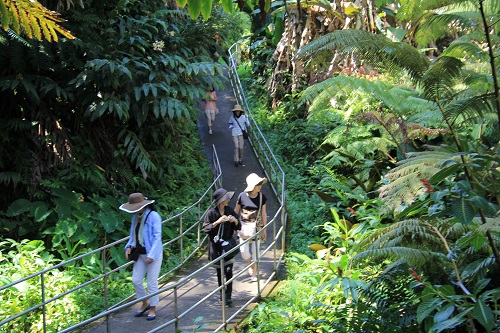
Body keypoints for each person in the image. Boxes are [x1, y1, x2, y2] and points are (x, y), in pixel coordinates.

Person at [120, 193, 163, 321]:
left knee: (151, 282)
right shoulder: (135, 217)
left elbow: (157, 237)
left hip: (153, 254)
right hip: (140, 253)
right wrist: (128, 246)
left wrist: (152, 255)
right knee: (136, 280)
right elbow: (133, 235)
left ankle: (153, 307)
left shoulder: (153, 216)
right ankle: (145, 302)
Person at [203, 188, 241, 306]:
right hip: (216, 247)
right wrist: (218, 222)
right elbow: (206, 228)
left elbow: (239, 226)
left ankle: (228, 296)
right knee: (220, 271)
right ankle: (222, 294)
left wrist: (234, 221)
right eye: (226, 199)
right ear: (220, 201)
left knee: (228, 270)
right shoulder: (211, 213)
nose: (228, 200)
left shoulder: (230, 210)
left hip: (228, 246)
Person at [234, 173, 268, 282]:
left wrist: (264, 229)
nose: (259, 186)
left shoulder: (262, 197)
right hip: (244, 227)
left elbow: (263, 213)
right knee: (243, 250)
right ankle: (251, 265)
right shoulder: (242, 196)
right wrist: (234, 226)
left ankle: (254, 273)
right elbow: (236, 211)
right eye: (258, 184)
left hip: (257, 227)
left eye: (260, 184)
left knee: (255, 251)